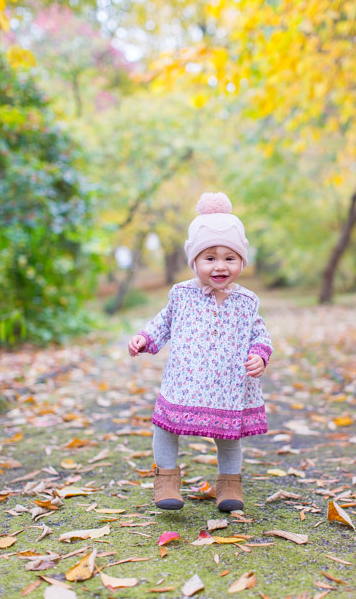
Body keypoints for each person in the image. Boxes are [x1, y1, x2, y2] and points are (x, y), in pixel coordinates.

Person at [128, 192, 272, 512]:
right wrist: (143, 338)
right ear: (194, 261)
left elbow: (260, 333)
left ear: (241, 261)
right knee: (165, 427)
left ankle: (229, 483)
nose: (220, 266)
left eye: (229, 258)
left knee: (228, 436)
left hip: (228, 387)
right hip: (184, 380)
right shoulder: (181, 294)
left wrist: (260, 355)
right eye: (209, 258)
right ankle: (166, 477)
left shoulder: (246, 301)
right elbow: (162, 323)